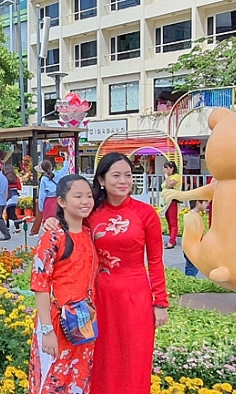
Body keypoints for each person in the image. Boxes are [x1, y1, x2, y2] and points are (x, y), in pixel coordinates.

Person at [44, 152, 169, 393]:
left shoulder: (146, 214)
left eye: (128, 175)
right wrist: (52, 222)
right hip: (98, 298)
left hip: (136, 297)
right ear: (101, 180)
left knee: (135, 359)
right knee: (101, 358)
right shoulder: (91, 212)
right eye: (116, 175)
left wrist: (160, 302)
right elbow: (70, 230)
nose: (123, 181)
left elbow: (155, 261)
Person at [28, 174, 97, 393]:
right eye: (78, 196)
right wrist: (47, 330)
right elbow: (40, 285)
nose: (85, 201)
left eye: (88, 196)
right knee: (52, 379)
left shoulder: (87, 233)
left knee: (79, 379)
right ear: (62, 201)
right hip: (57, 323)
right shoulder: (53, 237)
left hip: (83, 322)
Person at [30, 159, 69, 237]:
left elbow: (42, 195)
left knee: (48, 221)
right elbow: (65, 169)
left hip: (49, 201)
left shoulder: (44, 179)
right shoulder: (58, 174)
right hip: (58, 199)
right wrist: (66, 160)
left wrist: (41, 208)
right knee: (58, 218)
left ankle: (50, 237)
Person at [182, 200, 208, 277]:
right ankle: (190, 284)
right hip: (191, 247)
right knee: (192, 269)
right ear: (198, 202)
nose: (207, 204)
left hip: (192, 247)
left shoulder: (194, 216)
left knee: (191, 267)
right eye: (205, 202)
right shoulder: (190, 217)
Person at [162, 161, 182, 249]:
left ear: (172, 168)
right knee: (169, 221)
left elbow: (169, 184)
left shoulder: (176, 176)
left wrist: (166, 175)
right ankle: (171, 238)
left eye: (166, 168)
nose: (164, 170)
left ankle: (172, 241)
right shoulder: (169, 177)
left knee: (173, 222)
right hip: (166, 202)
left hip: (173, 201)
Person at [4, 165, 22, 234]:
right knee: (11, 211)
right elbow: (20, 187)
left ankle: (16, 227)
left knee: (10, 212)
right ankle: (9, 226)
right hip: (15, 195)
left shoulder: (5, 178)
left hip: (8, 195)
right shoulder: (16, 178)